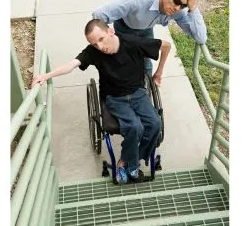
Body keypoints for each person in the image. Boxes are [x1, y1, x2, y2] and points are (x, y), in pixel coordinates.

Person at [32, 19, 171, 184]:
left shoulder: (132, 43)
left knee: (155, 124)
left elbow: (166, 46)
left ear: (110, 31)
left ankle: (127, 160)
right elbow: (70, 65)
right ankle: (131, 165)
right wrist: (45, 76)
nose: (100, 46)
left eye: (101, 39)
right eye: (94, 43)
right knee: (135, 127)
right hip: (115, 98)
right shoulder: (93, 52)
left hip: (138, 94)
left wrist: (159, 72)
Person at [92, 0, 207, 76]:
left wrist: (193, 8)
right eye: (176, 1)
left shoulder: (178, 11)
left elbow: (200, 38)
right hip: (125, 26)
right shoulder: (137, 0)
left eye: (183, 5)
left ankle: (144, 90)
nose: (178, 8)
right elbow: (99, 14)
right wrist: (108, 38)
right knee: (121, 64)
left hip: (146, 28)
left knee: (145, 65)